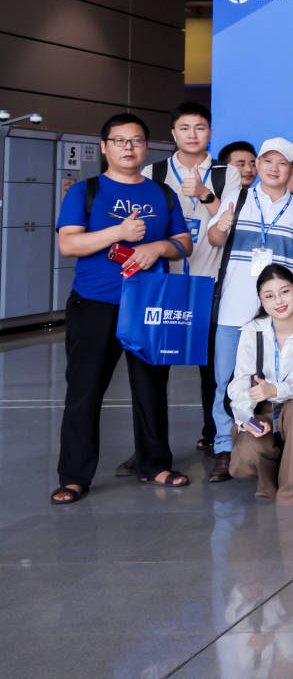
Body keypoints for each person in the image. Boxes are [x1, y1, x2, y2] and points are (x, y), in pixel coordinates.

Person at [51, 113, 193, 504]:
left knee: (151, 389)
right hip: (95, 304)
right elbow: (69, 244)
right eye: (119, 140)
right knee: (84, 391)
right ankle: (74, 476)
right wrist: (120, 232)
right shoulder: (85, 191)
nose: (128, 147)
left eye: (136, 140)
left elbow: (184, 242)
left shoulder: (162, 194)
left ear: (147, 147)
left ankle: (155, 464)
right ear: (104, 147)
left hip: (148, 304)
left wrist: (156, 247)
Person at [202, 137, 293, 483]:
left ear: (292, 169)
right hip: (234, 311)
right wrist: (221, 226)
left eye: (282, 163)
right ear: (257, 165)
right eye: (267, 161)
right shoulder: (236, 199)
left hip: (280, 315)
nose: (273, 168)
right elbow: (214, 240)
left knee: (277, 380)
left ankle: (270, 444)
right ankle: (224, 448)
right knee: (226, 381)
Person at [144, 100, 243, 456]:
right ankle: (151, 447)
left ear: (210, 133)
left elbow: (229, 224)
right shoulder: (154, 172)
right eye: (184, 128)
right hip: (164, 283)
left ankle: (215, 436)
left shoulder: (226, 173)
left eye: (199, 128)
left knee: (213, 368)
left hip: (210, 283)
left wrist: (204, 193)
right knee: (155, 368)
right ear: (173, 133)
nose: (192, 134)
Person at [226, 265, 293, 505]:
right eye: (269, 296)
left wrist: (274, 389)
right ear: (261, 301)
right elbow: (241, 382)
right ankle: (276, 475)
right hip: (263, 408)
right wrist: (247, 420)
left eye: (285, 291)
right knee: (244, 458)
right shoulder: (252, 331)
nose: (279, 301)